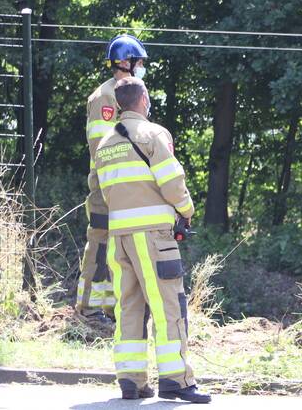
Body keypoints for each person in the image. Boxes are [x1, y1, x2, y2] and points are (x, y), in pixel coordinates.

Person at [94, 77, 209, 403]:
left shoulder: (105, 144)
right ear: (143, 100)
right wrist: (186, 211)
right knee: (167, 306)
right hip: (153, 238)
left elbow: (106, 192)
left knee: (129, 307)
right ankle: (177, 381)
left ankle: (131, 381)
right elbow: (172, 181)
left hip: (120, 238)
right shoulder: (154, 134)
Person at [76, 34, 150, 323]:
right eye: (139, 61)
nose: (142, 66)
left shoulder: (132, 91)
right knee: (100, 243)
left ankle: (109, 307)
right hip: (106, 186)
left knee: (118, 248)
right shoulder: (106, 97)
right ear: (124, 62)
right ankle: (88, 307)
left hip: (125, 185)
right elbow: (101, 147)